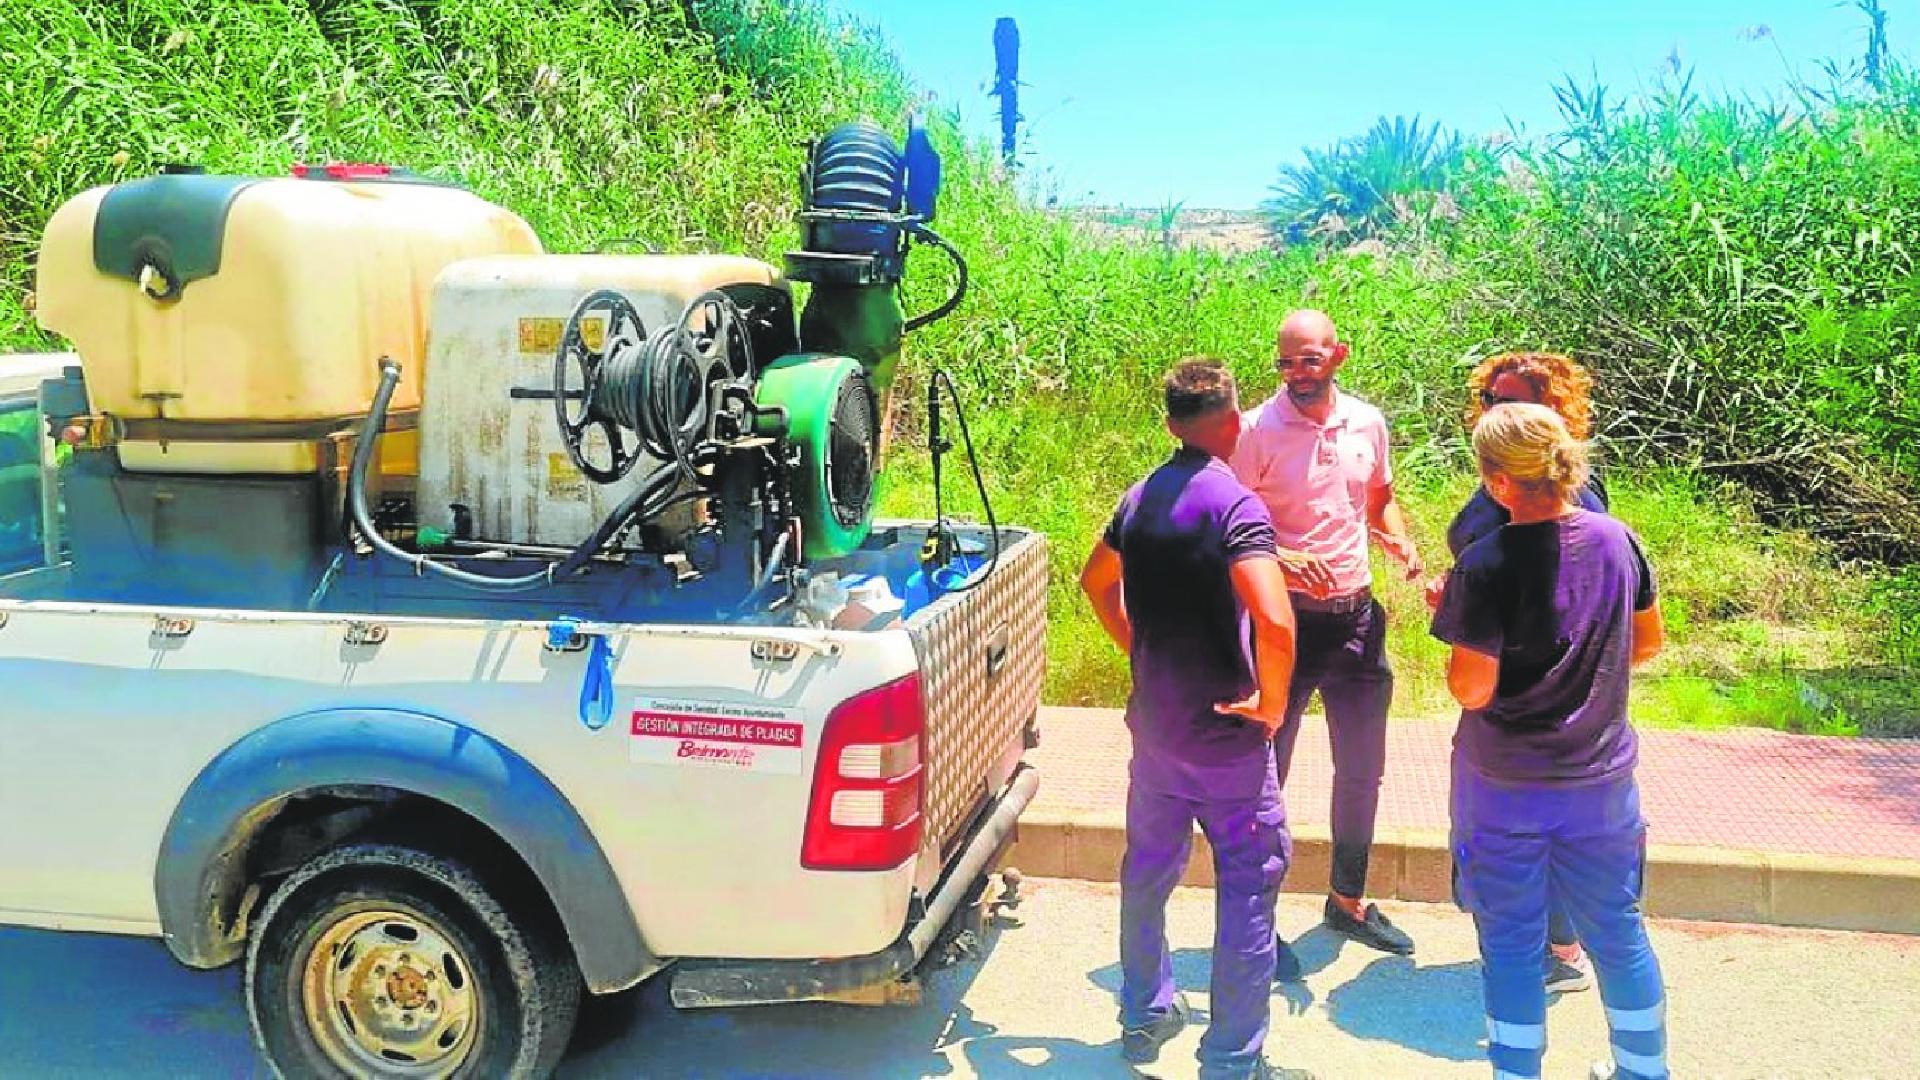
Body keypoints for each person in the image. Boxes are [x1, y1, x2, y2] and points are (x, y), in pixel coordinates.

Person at [1431, 403, 1669, 1080]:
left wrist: (1462, 620)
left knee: (1509, 942)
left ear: (1498, 482)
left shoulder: (1484, 563)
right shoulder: (1617, 539)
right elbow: (1647, 641)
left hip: (1504, 784)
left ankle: (1516, 1071)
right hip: (1600, 782)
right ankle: (1643, 1070)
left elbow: (1471, 689)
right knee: (1619, 934)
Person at [1080, 357, 1300, 1080]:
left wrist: (1135, 646)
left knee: (1146, 873)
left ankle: (1144, 1012)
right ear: (1234, 422)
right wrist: (1270, 703)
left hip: (1157, 733)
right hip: (1227, 744)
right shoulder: (1237, 506)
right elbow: (1274, 619)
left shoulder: (1140, 497)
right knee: (1247, 886)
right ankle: (1233, 1058)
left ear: (1173, 425)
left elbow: (1094, 580)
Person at [1229, 309, 1423, 961]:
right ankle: (1258, 922)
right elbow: (1225, 527)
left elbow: (1380, 497)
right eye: (1285, 363)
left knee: (1363, 770)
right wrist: (1281, 558)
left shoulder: (1366, 421)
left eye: (1308, 361)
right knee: (1265, 776)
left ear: (1337, 355)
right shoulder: (1255, 430)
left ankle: (1347, 901)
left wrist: (1399, 537)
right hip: (1287, 626)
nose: (1296, 376)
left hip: (1358, 620)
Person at [1428, 350, 1610, 995]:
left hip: (1529, 692)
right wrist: (1465, 596)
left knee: (1517, 826)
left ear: (1555, 410)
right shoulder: (1498, 483)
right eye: (1491, 402)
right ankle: (1548, 947)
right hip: (1512, 676)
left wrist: (1474, 604)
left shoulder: (1570, 491)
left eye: (1514, 403)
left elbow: (1575, 582)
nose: (1496, 413)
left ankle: (1550, 954)